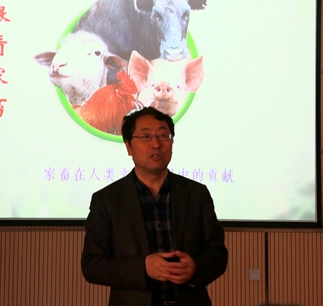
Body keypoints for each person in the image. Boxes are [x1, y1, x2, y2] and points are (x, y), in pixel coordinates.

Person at [82, 107, 228, 306]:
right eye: (146, 136)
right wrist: (143, 268)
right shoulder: (107, 200)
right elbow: (92, 265)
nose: (156, 144)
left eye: (163, 136)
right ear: (128, 146)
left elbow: (218, 254)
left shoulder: (196, 194)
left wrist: (195, 267)